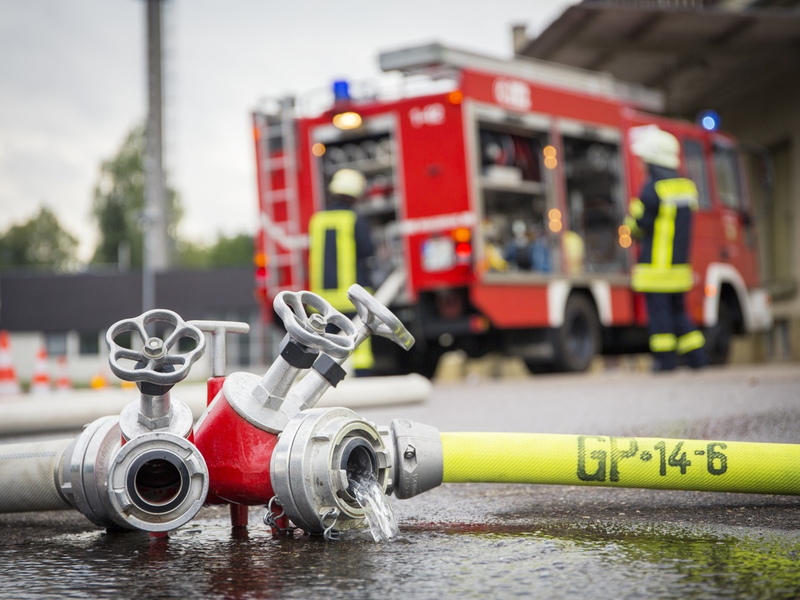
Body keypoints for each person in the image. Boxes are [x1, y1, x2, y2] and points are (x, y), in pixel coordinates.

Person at [624, 125, 707, 371]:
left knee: (660, 318)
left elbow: (639, 227)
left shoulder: (652, 191)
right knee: (680, 314)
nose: (642, 165)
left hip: (657, 268)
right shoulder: (687, 188)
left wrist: (632, 216)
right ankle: (698, 358)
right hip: (679, 267)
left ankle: (665, 361)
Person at [308, 168, 375, 375]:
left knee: (326, 346)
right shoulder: (354, 219)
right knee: (358, 344)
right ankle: (363, 380)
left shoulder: (317, 220)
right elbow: (367, 250)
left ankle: (322, 383)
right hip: (352, 297)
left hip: (322, 300)